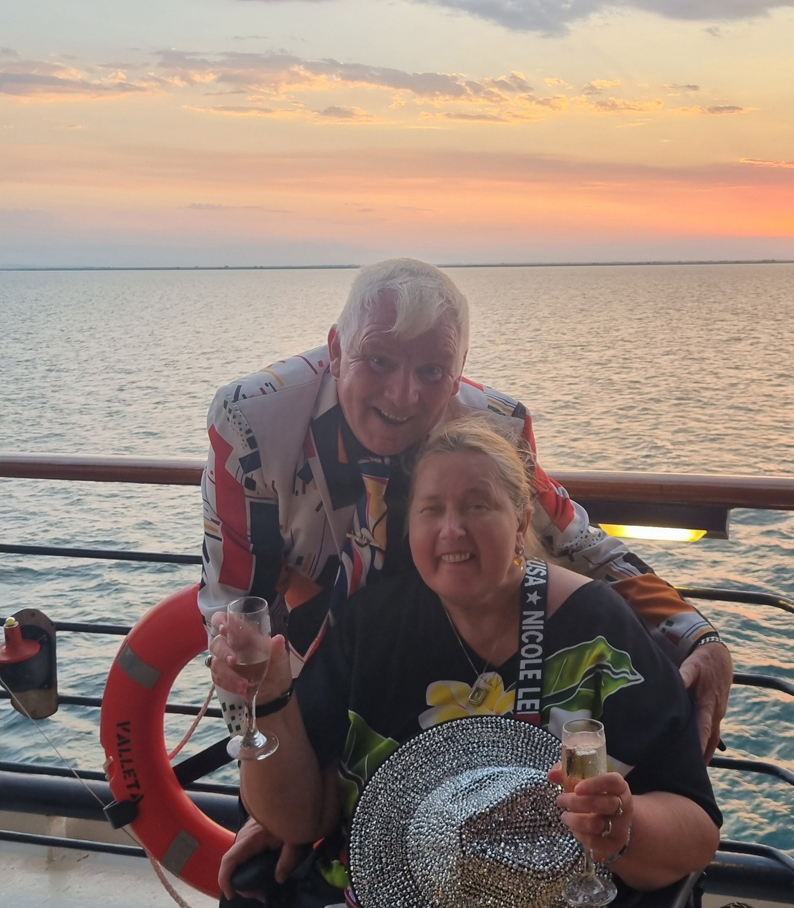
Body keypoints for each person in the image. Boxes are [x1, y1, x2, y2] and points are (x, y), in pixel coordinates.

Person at [201, 258, 732, 893]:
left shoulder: (493, 426)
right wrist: (272, 780)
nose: (404, 395)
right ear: (337, 348)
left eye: (431, 371)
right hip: (337, 654)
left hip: (437, 631)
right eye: (379, 362)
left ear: (458, 372)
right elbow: (238, 612)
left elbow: (578, 543)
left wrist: (695, 633)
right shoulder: (253, 419)